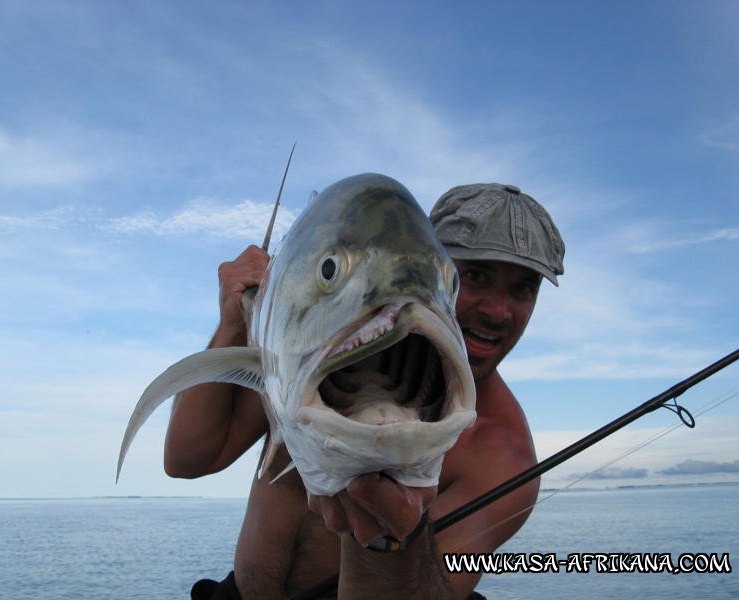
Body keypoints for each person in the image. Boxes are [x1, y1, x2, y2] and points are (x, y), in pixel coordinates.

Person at [166, 182, 565, 600]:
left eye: (523, 288)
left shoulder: (503, 456)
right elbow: (188, 460)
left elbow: (434, 594)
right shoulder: (312, 346)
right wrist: (233, 322)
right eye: (476, 277)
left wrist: (389, 536)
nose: (498, 310)